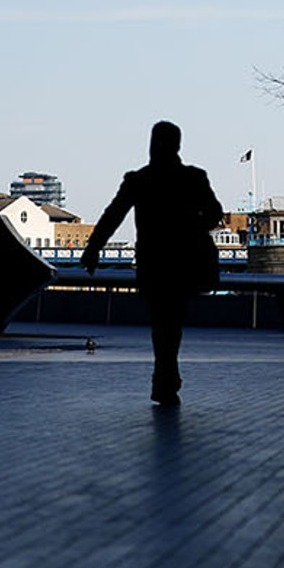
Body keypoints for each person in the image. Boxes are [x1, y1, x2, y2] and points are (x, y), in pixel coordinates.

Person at [81, 121, 225, 406]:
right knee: (173, 322)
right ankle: (167, 377)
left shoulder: (138, 180)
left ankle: (165, 377)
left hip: (153, 261)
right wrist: (190, 224)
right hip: (184, 261)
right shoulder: (194, 178)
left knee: (161, 322)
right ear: (178, 145)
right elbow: (214, 213)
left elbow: (113, 216)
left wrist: (93, 248)